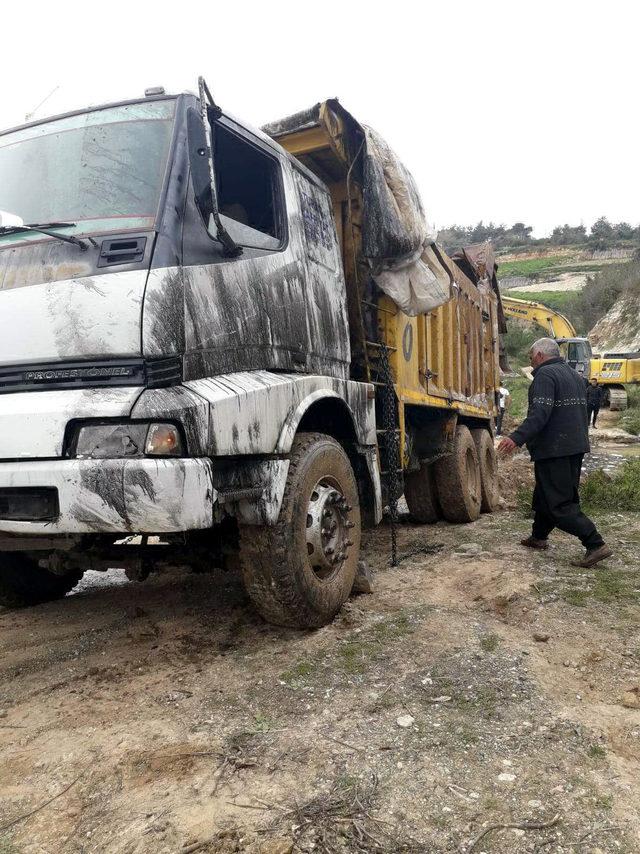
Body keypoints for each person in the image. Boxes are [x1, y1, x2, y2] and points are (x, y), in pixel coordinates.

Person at [498, 337, 612, 568]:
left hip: (554, 449)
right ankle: (539, 536)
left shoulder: (544, 376)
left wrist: (516, 438)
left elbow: (540, 414)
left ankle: (594, 542)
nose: (531, 363)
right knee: (545, 494)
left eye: (531, 358)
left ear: (539, 355)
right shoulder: (574, 376)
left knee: (559, 503)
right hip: (575, 446)